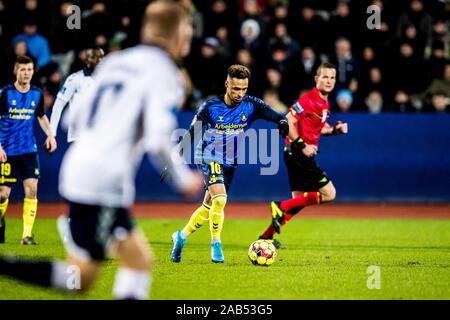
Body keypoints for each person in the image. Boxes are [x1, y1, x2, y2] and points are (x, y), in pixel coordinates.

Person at [0, 1, 202, 300]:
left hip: (82, 164)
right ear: (180, 36)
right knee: (80, 278)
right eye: (188, 32)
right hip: (103, 180)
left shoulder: (118, 61)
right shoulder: (165, 73)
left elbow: (74, 117)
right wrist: (182, 180)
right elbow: (158, 138)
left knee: (138, 262)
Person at [167, 64, 289, 263]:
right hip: (208, 156)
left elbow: (271, 113)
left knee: (209, 205)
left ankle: (181, 237)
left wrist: (281, 121)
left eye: (243, 89)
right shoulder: (210, 107)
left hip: (230, 162)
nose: (240, 93)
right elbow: (192, 133)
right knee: (221, 199)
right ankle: (216, 246)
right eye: (236, 89)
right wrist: (175, 157)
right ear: (227, 84)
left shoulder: (251, 105)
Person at [258, 62, 348, 249]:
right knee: (329, 194)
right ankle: (280, 206)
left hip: (296, 154)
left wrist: (335, 130)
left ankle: (265, 238)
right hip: (298, 153)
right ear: (316, 79)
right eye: (325, 77)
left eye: (332, 77)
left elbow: (318, 127)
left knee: (297, 201)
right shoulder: (308, 99)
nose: (329, 81)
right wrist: (302, 145)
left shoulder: (324, 102)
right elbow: (287, 121)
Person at [0, 55, 57, 245]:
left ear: (33, 71)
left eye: (30, 69)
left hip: (28, 150)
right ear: (15, 71)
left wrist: (50, 135)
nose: (26, 73)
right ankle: (0, 221)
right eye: (23, 70)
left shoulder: (37, 93)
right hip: (6, 151)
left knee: (32, 190)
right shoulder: (5, 93)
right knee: (2, 195)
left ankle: (27, 235)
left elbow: (41, 117)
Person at [50, 48, 105, 143]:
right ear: (88, 60)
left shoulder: (107, 79)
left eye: (101, 58)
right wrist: (51, 133)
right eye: (95, 58)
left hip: (101, 135)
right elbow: (58, 105)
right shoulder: (75, 79)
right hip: (79, 136)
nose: (99, 61)